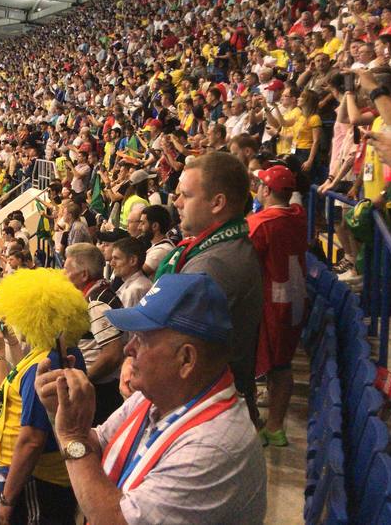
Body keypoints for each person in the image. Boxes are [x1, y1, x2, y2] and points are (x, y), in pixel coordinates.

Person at [34, 273, 267, 524]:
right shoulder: (156, 397)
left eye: (142, 339)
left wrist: (71, 435)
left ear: (186, 359)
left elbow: (114, 520)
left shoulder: (212, 446)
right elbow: (96, 444)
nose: (128, 348)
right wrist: (59, 410)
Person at [160, 151, 263, 423]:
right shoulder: (224, 247)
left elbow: (176, 351)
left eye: (186, 195)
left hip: (204, 412)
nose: (177, 202)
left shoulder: (212, 266)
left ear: (217, 203)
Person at [0, 268, 89, 525]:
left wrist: (6, 500)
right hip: (40, 477)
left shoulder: (44, 364)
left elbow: (32, 440)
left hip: (36, 481)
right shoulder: (53, 351)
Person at [248, 165, 308, 447]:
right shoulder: (298, 215)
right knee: (282, 365)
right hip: (296, 299)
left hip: (272, 301)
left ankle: (258, 427)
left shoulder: (262, 224)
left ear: (266, 191)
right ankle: (275, 426)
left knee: (256, 365)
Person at [62, 243, 126, 424]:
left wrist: (83, 380)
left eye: (67, 270)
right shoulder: (100, 291)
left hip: (101, 390)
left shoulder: (95, 302)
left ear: (84, 275)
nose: (63, 275)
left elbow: (112, 354)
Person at [110, 238, 152, 308]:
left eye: (116, 258)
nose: (112, 263)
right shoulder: (137, 285)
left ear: (133, 261)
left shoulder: (135, 290)